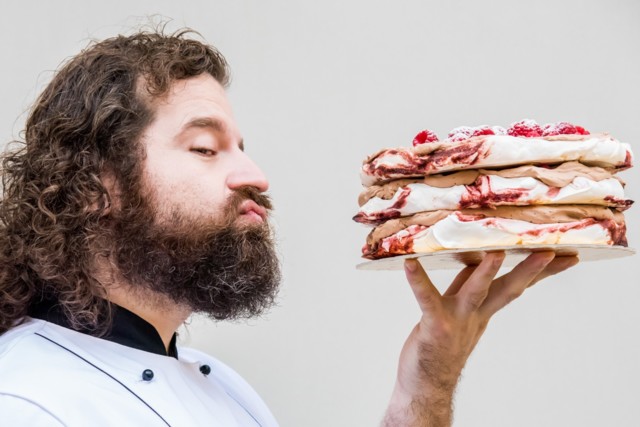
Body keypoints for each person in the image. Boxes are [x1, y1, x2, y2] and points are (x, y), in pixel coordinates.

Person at [0, 28, 577, 426]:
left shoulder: (224, 390)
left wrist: (430, 376)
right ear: (97, 188)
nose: (255, 175)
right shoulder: (28, 401)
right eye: (205, 149)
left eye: (241, 147)